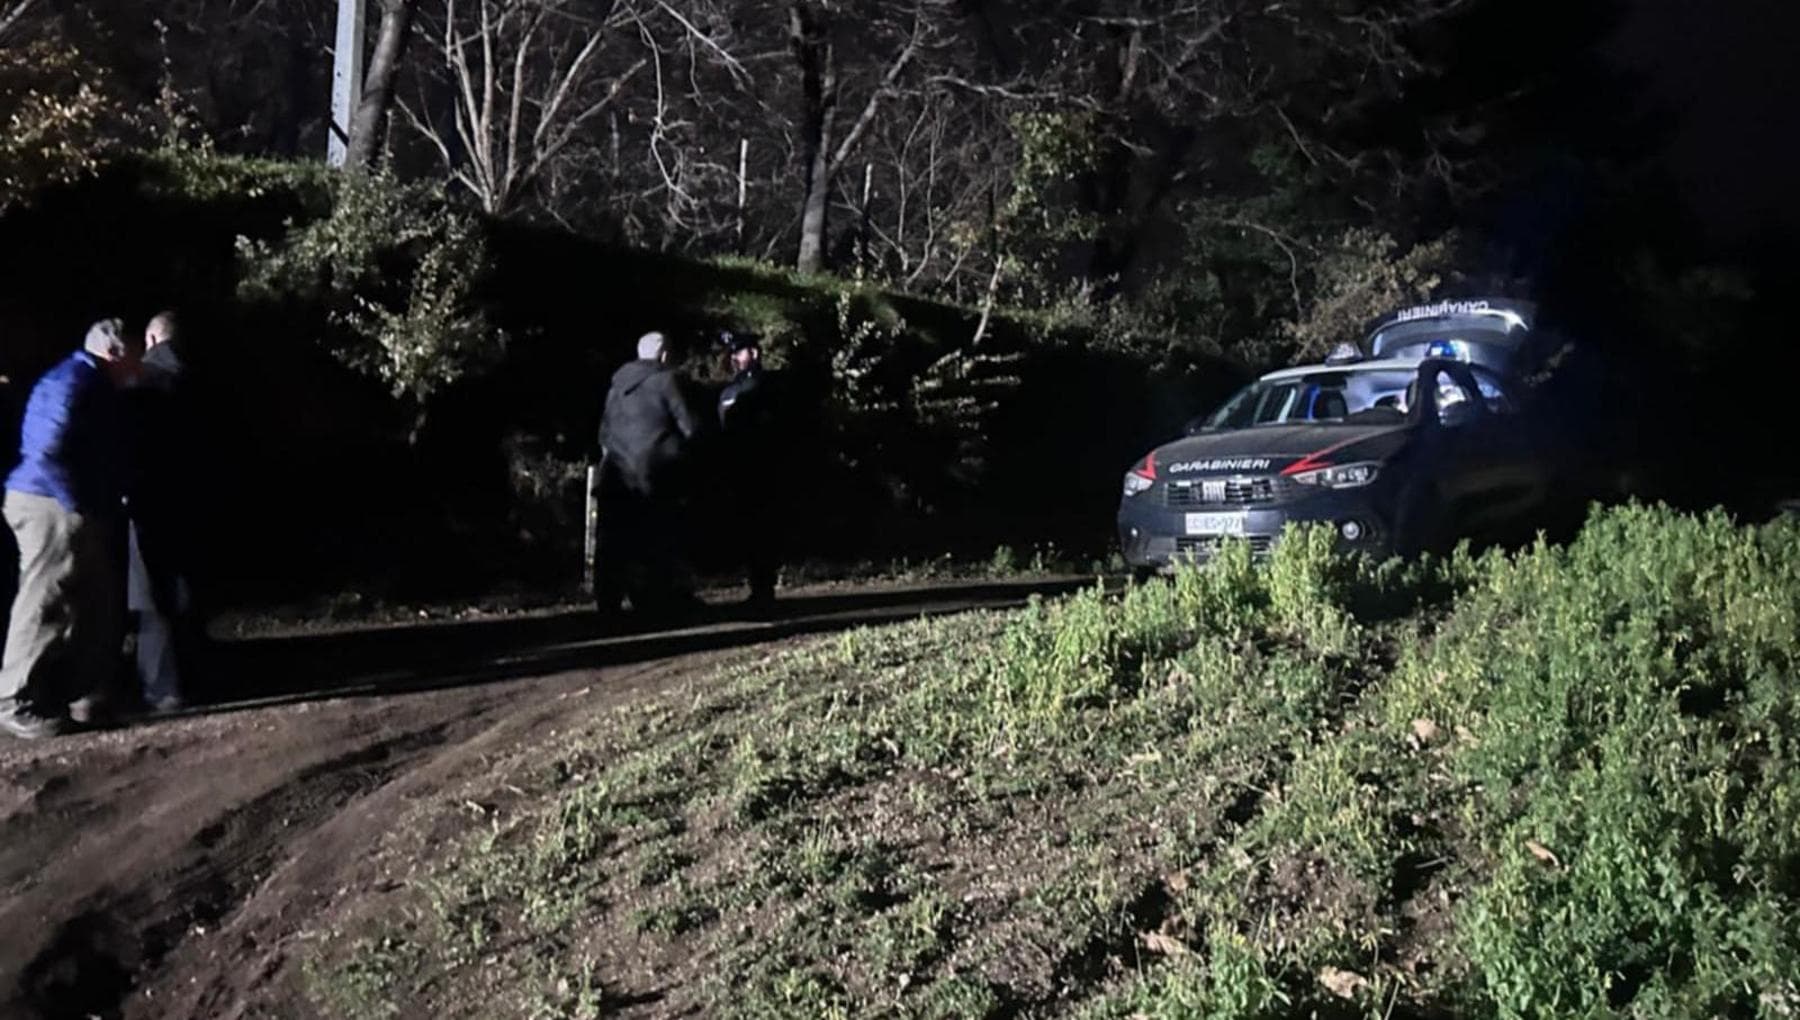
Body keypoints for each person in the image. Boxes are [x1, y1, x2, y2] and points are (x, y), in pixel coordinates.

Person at [0, 319, 141, 739]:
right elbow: (45, 450)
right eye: (133, 351)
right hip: (47, 503)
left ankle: (71, 695)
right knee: (45, 597)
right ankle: (15, 700)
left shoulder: (89, 382)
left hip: (62, 503)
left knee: (92, 602)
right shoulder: (75, 381)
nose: (139, 360)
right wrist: (76, 504)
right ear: (114, 353)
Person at [594, 331, 702, 617]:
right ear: (664, 354)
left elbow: (603, 432)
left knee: (614, 541)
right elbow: (689, 426)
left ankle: (608, 599)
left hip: (617, 473)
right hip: (656, 471)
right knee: (662, 535)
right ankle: (661, 596)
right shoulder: (667, 380)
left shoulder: (616, 386)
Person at [124, 311, 199, 713]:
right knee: (184, 589)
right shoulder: (198, 382)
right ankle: (193, 675)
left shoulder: (141, 381)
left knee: (150, 596)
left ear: (152, 339)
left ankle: (160, 687)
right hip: (189, 498)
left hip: (147, 500)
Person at [715, 330, 783, 606]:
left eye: (739, 352)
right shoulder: (731, 389)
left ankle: (763, 588)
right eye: (733, 353)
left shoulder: (767, 386)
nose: (734, 358)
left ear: (753, 353)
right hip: (737, 467)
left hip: (762, 468)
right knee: (746, 530)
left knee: (762, 531)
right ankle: (756, 585)